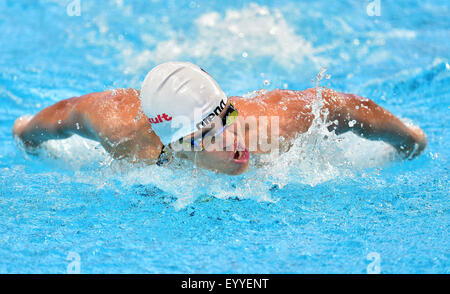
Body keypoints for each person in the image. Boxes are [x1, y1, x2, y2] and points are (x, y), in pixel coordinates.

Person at [12, 62, 427, 175]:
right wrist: (27, 133)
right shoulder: (123, 134)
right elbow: (71, 113)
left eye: (224, 118)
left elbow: (337, 104)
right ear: (172, 145)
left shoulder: (269, 125)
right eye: (206, 135)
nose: (232, 140)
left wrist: (408, 140)